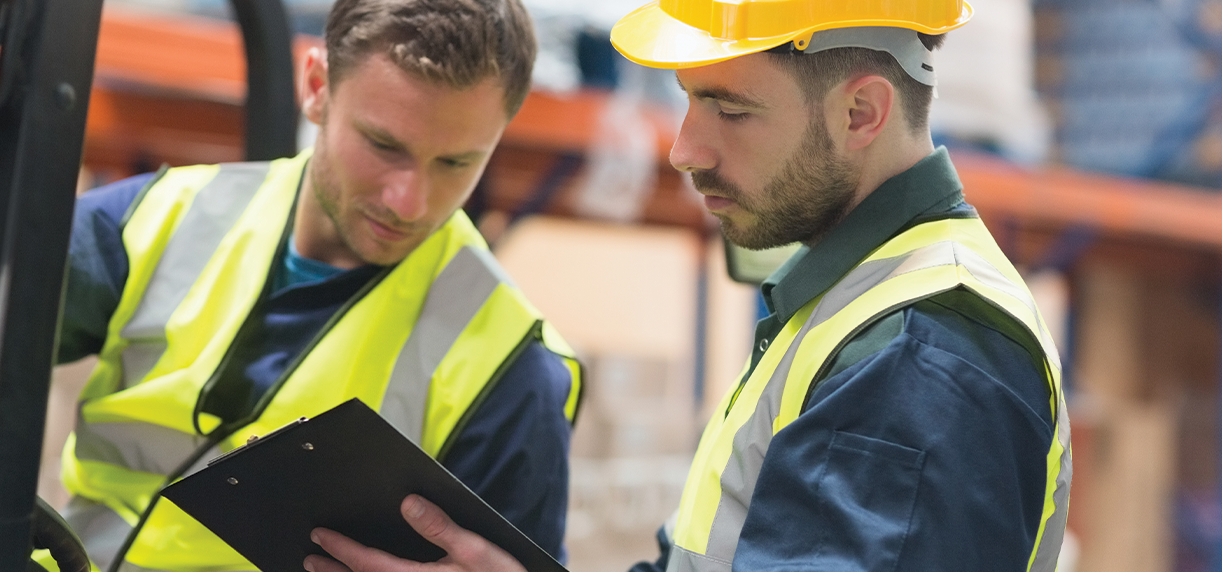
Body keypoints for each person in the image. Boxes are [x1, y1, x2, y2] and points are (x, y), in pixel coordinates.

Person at [304, 0, 1073, 571]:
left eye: (728, 109)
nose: (684, 150)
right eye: (689, 100)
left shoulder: (918, 352)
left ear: (862, 112)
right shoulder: (852, 308)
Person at [38, 0, 584, 570]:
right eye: (384, 145)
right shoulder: (155, 220)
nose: (409, 201)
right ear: (318, 87)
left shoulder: (514, 370)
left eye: (455, 164)